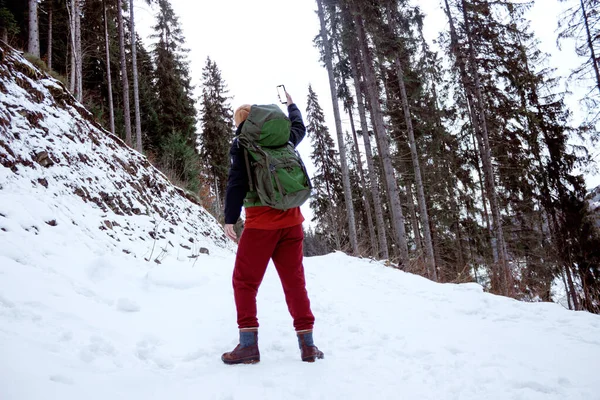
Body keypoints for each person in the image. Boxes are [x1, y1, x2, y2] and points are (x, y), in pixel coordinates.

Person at [221, 91, 324, 364]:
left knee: (244, 282)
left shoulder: (243, 145)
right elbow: (300, 127)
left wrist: (229, 218)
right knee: (295, 283)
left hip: (261, 226)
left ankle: (248, 347)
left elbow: (236, 183)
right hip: (293, 223)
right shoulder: (284, 140)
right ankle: (308, 346)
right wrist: (291, 105)